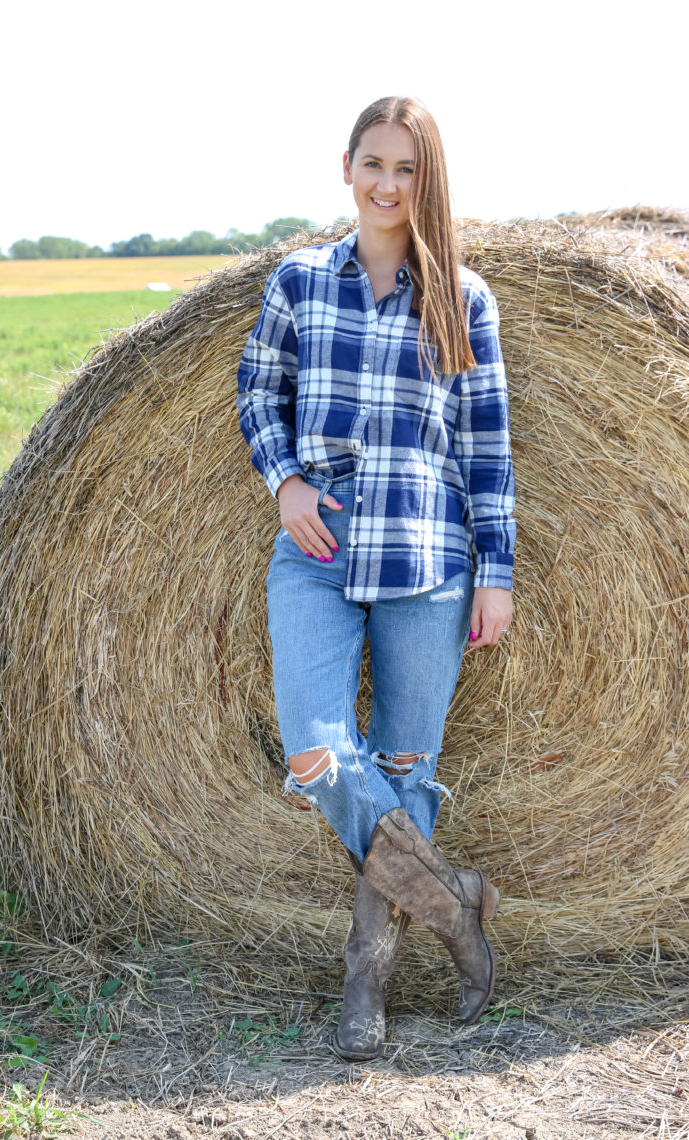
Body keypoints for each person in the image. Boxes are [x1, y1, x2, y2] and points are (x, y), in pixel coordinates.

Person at [236, 96, 515, 1062]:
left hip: (430, 561)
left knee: (405, 770)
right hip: (316, 552)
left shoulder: (464, 299)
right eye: (374, 163)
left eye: (406, 169)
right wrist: (286, 482)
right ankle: (453, 900)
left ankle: (367, 986)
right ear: (345, 167)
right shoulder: (300, 282)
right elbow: (256, 391)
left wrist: (498, 573)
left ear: (425, 180)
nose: (389, 184)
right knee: (314, 750)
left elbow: (487, 448)